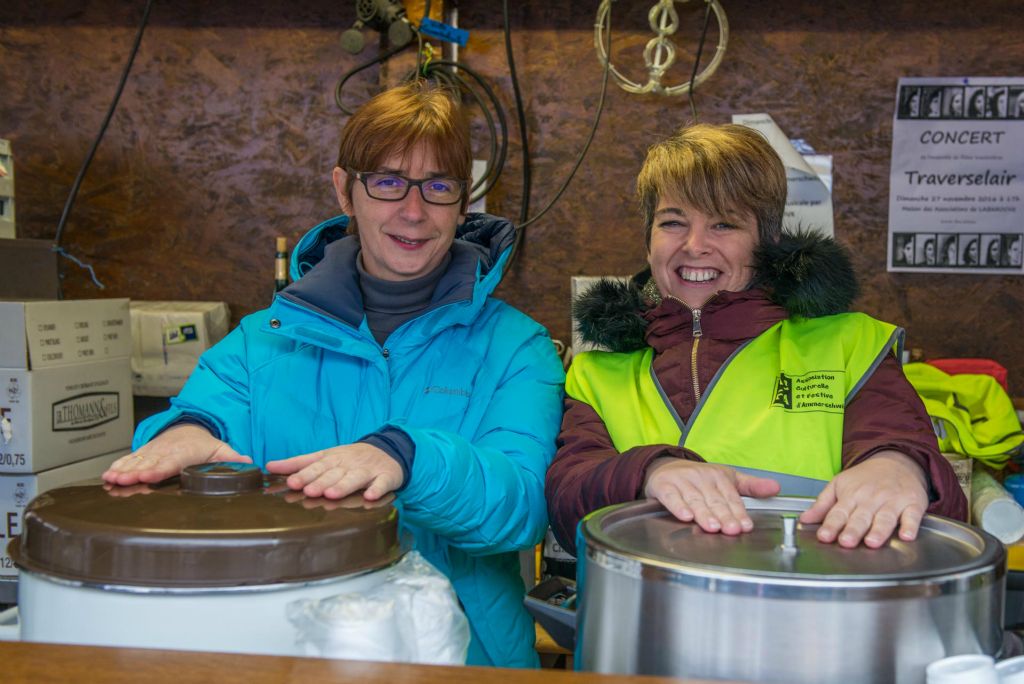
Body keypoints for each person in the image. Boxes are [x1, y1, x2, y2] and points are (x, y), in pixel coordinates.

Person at [102, 81, 565, 668]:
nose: (414, 211)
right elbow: (205, 415)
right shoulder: (261, 342)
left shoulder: (518, 346)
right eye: (388, 182)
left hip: (460, 659)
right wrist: (183, 434)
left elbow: (522, 510)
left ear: (462, 202)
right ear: (345, 190)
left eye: (438, 186)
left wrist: (409, 457)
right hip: (283, 653)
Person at [545, 124, 966, 559]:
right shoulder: (597, 373)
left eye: (724, 224)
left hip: (813, 598)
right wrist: (649, 470)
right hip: (649, 599)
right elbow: (566, 500)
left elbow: (907, 449)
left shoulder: (851, 345)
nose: (694, 245)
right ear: (648, 241)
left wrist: (900, 467)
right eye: (672, 222)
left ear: (766, 242)